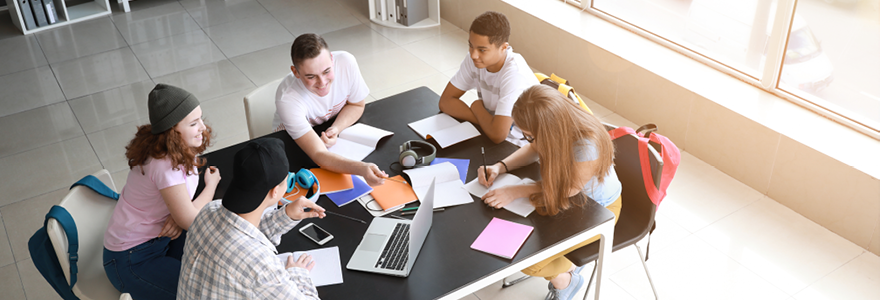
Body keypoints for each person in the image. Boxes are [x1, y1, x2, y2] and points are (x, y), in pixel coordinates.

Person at [477, 85, 623, 300]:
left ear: (547, 130)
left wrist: (516, 191)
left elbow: (569, 189)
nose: (529, 140)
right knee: (515, 247)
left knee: (529, 262)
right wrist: (500, 166)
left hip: (597, 209)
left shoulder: (586, 145)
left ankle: (567, 279)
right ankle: (565, 267)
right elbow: (534, 149)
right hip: (566, 198)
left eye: (530, 136)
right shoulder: (557, 124)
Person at [103, 83, 221, 299]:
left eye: (200, 118)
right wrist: (210, 187)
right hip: (131, 260)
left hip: (158, 239)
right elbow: (192, 221)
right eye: (194, 123)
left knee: (217, 257)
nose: (203, 127)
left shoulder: (172, 147)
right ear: (172, 132)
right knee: (204, 290)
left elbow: (183, 213)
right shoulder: (166, 165)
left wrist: (178, 216)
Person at [177, 137, 326, 299]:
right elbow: (248, 251)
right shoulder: (261, 267)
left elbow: (242, 234)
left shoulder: (209, 210)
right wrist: (298, 273)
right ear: (275, 191)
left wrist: (286, 215)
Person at [273, 33, 388, 186]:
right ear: (295, 72)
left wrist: (336, 129)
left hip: (325, 129)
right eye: (311, 76)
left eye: (327, 71)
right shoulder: (288, 99)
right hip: (291, 143)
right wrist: (362, 168)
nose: (322, 82)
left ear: (332, 59)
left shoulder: (346, 62)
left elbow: (357, 105)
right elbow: (319, 154)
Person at [439, 11, 539, 146]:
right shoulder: (475, 59)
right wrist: (485, 119)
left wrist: (477, 107)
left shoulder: (515, 76)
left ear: (504, 47)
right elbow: (445, 102)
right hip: (490, 131)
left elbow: (498, 135)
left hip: (521, 145)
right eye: (471, 46)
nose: (473, 55)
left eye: (482, 50)